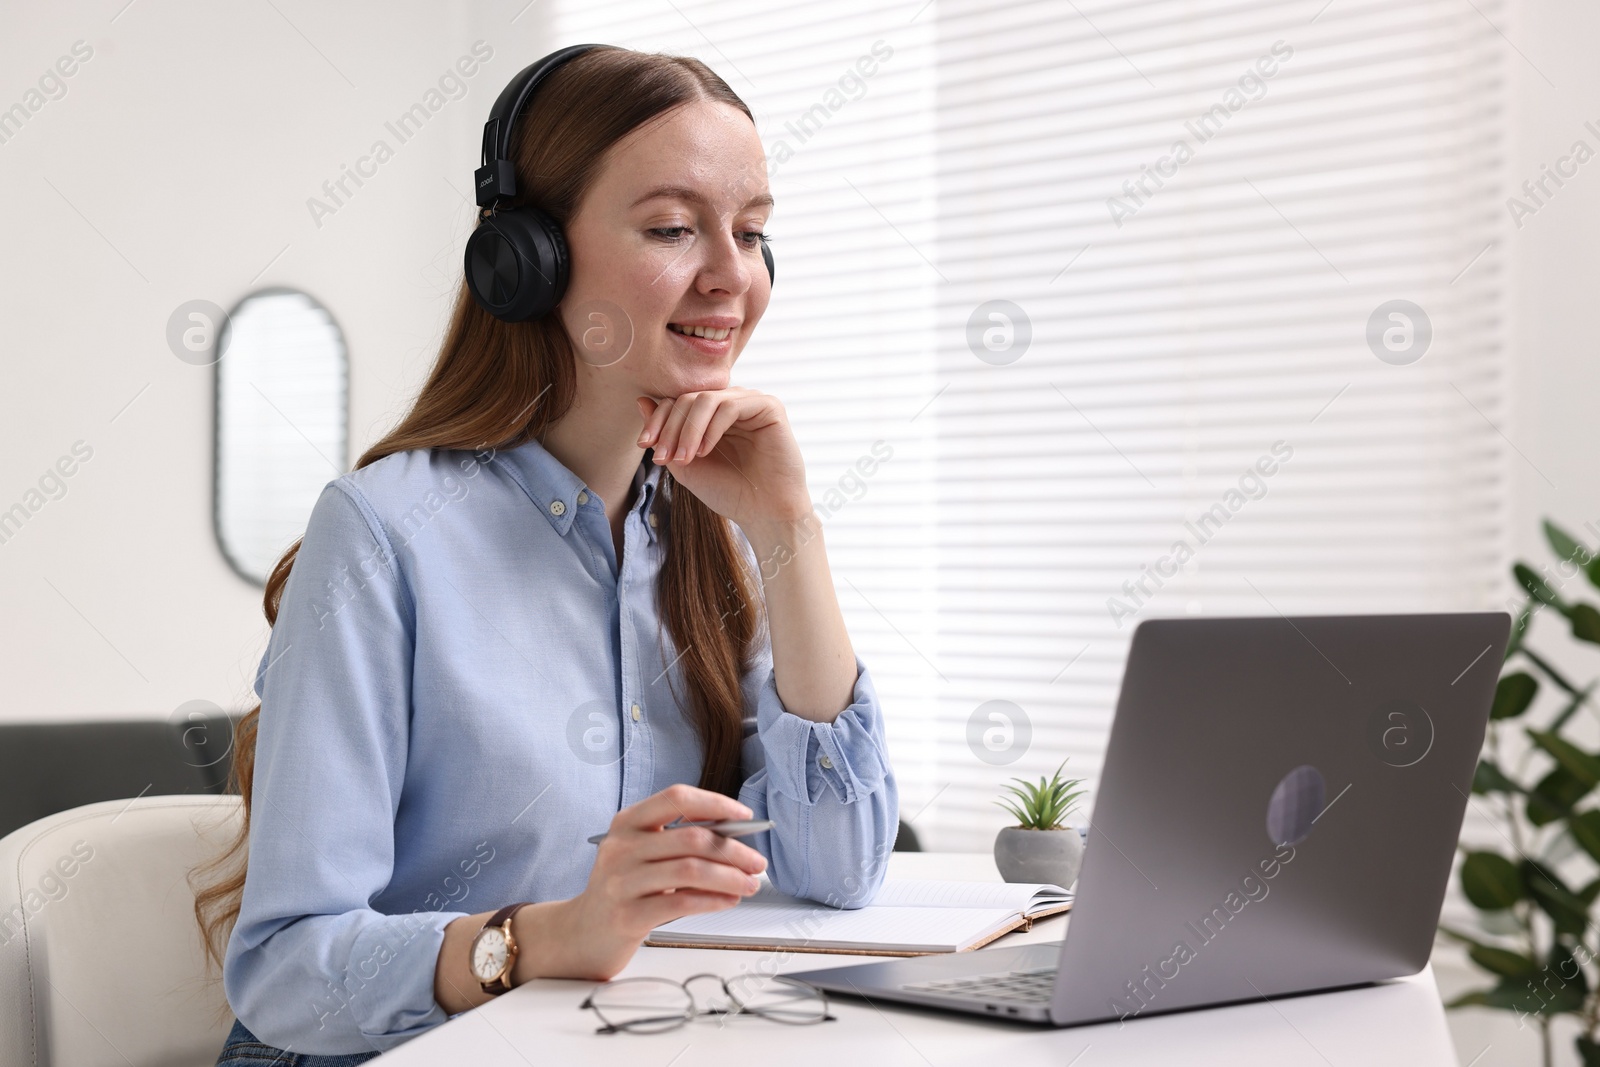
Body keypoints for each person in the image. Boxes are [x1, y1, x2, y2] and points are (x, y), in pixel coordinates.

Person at [192, 44, 898, 1065]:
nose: (730, 276)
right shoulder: (386, 530)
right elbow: (286, 973)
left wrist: (788, 529)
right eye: (671, 227)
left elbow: (839, 867)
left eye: (749, 233)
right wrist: (542, 937)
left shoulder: (705, 524)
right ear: (529, 259)